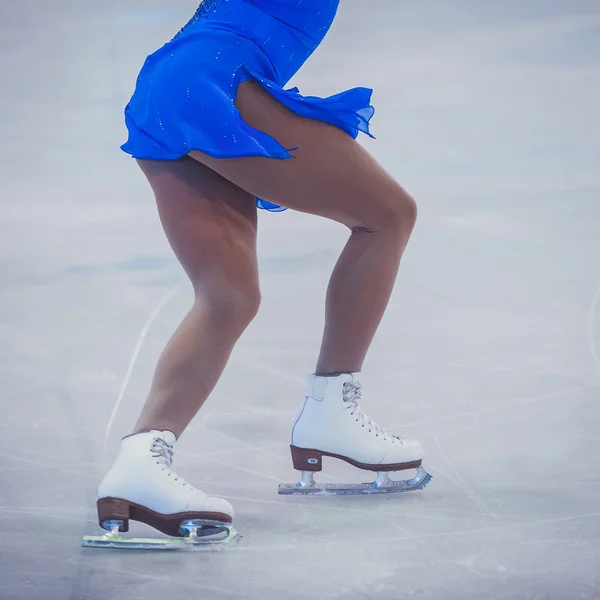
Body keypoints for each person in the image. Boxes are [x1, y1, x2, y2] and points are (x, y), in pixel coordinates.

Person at [97, 0, 427, 538]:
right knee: (387, 216)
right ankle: (330, 412)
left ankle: (139, 465)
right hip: (214, 79)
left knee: (227, 297)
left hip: (170, 83)